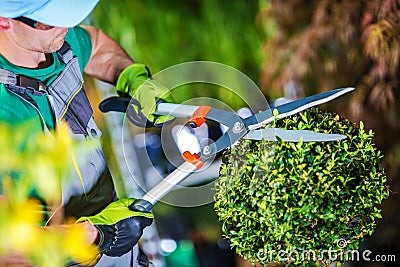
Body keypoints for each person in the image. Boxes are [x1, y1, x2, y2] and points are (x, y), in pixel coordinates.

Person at [0, 0, 174, 266]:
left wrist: (132, 77)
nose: (66, 26)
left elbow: (95, 45)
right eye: (50, 20)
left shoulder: (57, 43)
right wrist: (94, 236)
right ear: (5, 21)